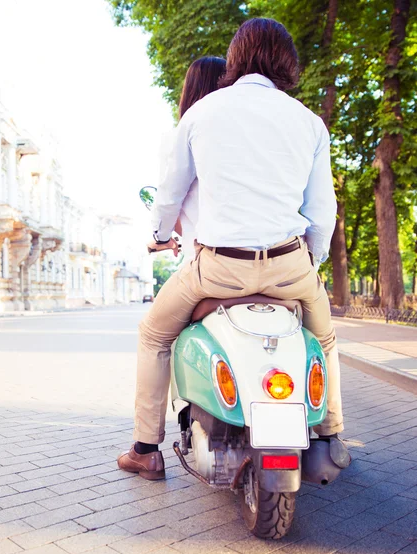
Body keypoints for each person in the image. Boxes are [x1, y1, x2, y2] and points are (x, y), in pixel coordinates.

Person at [118, 18, 346, 480]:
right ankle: (331, 436)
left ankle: (146, 448)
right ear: (288, 62)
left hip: (218, 268)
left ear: (236, 58)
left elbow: (169, 196)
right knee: (323, 338)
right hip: (289, 266)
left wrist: (162, 235)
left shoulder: (201, 114)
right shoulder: (309, 123)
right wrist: (310, 263)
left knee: (154, 334)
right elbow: (322, 213)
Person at [160, 56, 227, 261]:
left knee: (164, 296)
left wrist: (161, 237)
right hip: (273, 260)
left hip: (206, 262)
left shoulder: (180, 136)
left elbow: (169, 200)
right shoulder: (245, 139)